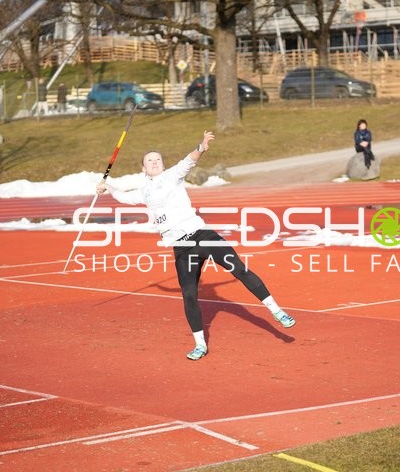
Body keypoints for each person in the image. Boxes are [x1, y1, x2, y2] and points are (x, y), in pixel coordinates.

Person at [95, 131, 296, 360]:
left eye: (158, 159)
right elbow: (124, 197)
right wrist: (107, 187)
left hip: (202, 236)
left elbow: (189, 161)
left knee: (239, 269)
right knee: (189, 294)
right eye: (150, 161)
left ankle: (276, 311)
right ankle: (200, 344)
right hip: (182, 248)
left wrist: (201, 147)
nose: (154, 162)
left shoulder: (173, 176)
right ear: (143, 168)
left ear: (163, 164)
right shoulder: (144, 192)